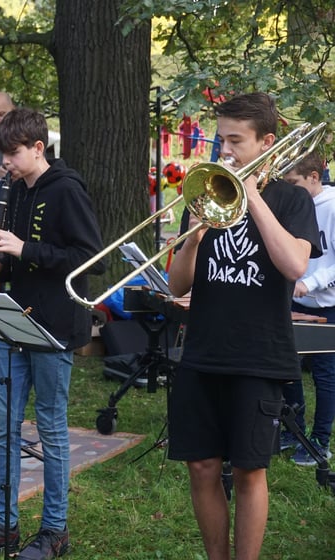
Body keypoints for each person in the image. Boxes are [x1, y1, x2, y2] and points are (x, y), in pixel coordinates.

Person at [165, 92, 319, 560]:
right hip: (203, 351)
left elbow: (294, 265)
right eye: (221, 140)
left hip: (258, 353)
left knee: (251, 469)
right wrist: (192, 238)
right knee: (202, 466)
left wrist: (252, 197)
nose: (224, 151)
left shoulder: (291, 199)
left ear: (266, 142)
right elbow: (176, 286)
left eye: (236, 141)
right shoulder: (204, 191)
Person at [0, 108, 104, 559]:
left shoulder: (67, 189)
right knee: (4, 424)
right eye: (4, 156)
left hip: (56, 322)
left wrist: (23, 248)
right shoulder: (15, 189)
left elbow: (88, 255)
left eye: (14, 154)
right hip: (15, 317)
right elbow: (14, 253)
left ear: (39, 148)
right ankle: (4, 524)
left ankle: (54, 530)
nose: (8, 164)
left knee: (52, 429)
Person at [280, 150, 335, 466]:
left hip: (327, 306)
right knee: (287, 368)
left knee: (325, 376)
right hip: (293, 299)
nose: (289, 189)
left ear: (314, 178)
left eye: (294, 182)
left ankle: (320, 442)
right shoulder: (296, 205)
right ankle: (293, 430)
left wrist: (310, 284)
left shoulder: (332, 207)